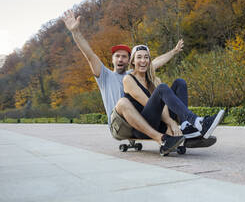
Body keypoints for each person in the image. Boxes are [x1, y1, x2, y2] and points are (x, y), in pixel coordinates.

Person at [62, 10, 217, 156]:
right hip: (120, 123)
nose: (120, 59)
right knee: (123, 102)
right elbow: (89, 55)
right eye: (117, 56)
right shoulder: (105, 75)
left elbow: (155, 62)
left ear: (130, 61)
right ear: (113, 59)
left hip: (143, 118)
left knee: (178, 83)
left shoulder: (135, 73)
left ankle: (187, 128)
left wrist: (174, 51)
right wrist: (75, 32)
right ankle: (164, 137)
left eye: (124, 56)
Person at [123, 44, 225, 155]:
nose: (143, 60)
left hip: (160, 122)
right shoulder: (128, 79)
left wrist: (170, 123)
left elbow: (164, 105)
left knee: (180, 83)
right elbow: (148, 102)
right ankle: (197, 122)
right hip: (143, 127)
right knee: (162, 88)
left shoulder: (154, 80)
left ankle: (186, 126)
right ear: (132, 61)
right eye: (139, 57)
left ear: (149, 60)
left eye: (146, 57)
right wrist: (171, 122)